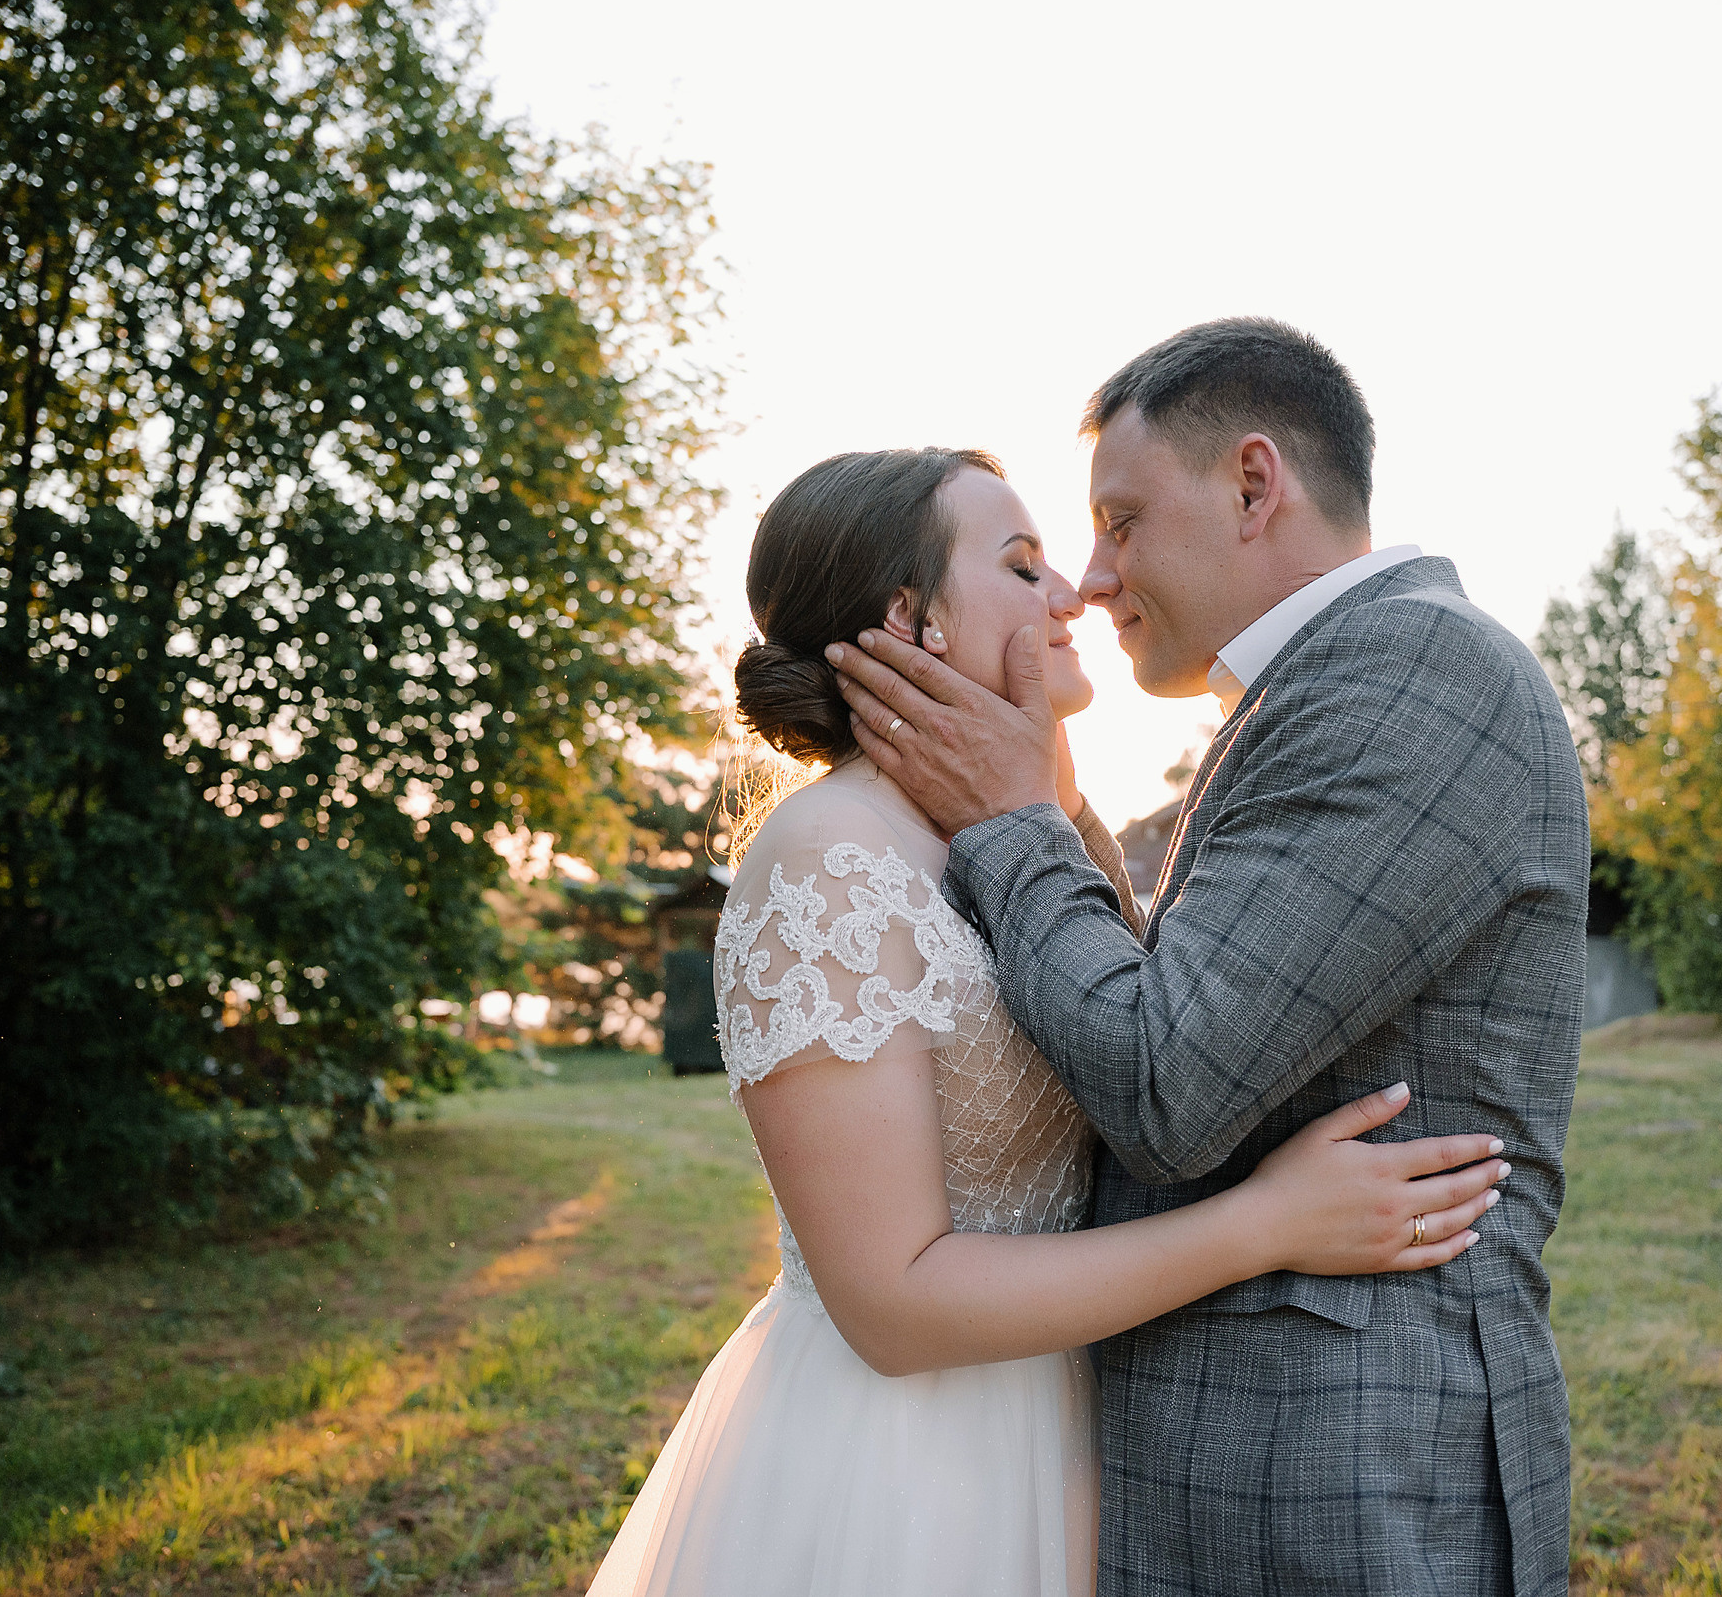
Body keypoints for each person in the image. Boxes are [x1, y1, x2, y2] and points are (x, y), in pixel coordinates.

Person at [589, 446, 1513, 1597]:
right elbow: (889, 1302)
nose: (1073, 591)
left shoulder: (1025, 829)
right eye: (1024, 565)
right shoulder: (829, 856)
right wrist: (1265, 1223)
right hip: (906, 1469)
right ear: (909, 619)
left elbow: (1147, 1043)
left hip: (1073, 1433)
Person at [827, 321, 1588, 1597]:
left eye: (1119, 520)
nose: (1093, 574)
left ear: (1252, 484)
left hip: (1339, 1483)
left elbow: (1167, 1082)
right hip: (1262, 1466)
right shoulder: (1327, 689)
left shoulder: (1414, 674)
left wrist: (1017, 821)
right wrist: (1053, 816)